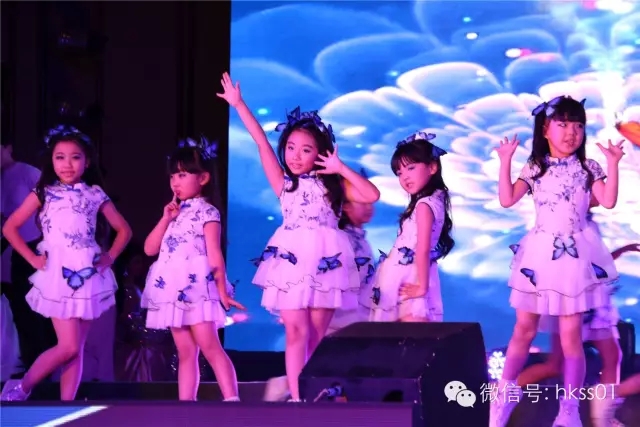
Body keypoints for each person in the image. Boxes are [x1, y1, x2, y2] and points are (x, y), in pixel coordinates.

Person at [217, 72, 380, 402]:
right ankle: (298, 400)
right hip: (291, 261)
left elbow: (371, 195)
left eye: (305, 150)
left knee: (315, 337)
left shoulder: (334, 185)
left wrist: (340, 167)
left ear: (319, 153)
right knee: (296, 331)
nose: (295, 155)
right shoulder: (285, 184)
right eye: (291, 147)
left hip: (326, 261)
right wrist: (239, 104)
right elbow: (261, 143)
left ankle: (309, 394)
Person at [490, 96, 624, 427]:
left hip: (574, 258)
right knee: (523, 329)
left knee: (571, 339)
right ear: (546, 129)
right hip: (539, 255)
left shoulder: (589, 167)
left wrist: (613, 164)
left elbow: (607, 201)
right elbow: (507, 199)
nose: (571, 132)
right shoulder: (535, 167)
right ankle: (504, 397)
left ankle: (569, 410)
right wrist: (505, 161)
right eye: (563, 124)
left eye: (578, 125)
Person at [1, 124, 132, 401]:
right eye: (60, 157)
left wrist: (109, 256)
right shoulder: (44, 192)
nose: (67, 164)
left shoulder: (94, 194)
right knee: (69, 346)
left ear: (87, 161)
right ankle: (21, 387)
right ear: (51, 160)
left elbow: (124, 230)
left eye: (75, 157)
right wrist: (32, 258)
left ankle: (66, 405)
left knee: (76, 349)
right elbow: (10, 227)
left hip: (87, 274)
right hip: (58, 274)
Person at [141, 135, 244, 401]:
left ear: (203, 178)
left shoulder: (208, 212)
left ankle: (232, 401)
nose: (175, 182)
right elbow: (149, 249)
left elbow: (214, 254)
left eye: (183, 174)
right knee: (185, 351)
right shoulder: (173, 213)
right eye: (173, 176)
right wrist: (165, 219)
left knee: (210, 346)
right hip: (173, 288)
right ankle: (186, 405)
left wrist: (222, 291)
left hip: (197, 287)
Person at [369, 132, 454, 323]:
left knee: (410, 332)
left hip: (412, 273)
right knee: (409, 332)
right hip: (405, 273)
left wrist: (422, 286)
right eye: (399, 173)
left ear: (432, 167)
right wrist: (422, 286)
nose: (404, 177)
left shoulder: (426, 204)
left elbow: (423, 249)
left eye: (411, 168)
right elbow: (421, 249)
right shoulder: (427, 203)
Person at [1, 137, 56, 374]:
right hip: (10, 255)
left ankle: (44, 371)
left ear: (8, 148)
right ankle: (26, 369)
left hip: (34, 249)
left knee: (37, 314)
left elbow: (50, 207)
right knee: (19, 315)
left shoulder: (28, 173)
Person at [328, 168, 375, 334]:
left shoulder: (361, 240)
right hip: (338, 326)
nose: (369, 206)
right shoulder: (339, 239)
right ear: (346, 205)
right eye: (362, 200)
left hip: (359, 323)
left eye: (370, 201)